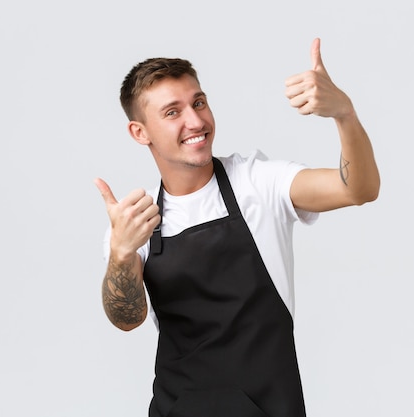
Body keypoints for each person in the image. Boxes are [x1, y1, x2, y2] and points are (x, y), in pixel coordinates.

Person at [95, 38, 380, 417]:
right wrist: (121, 252)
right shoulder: (137, 222)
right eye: (172, 112)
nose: (195, 121)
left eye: (198, 103)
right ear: (139, 132)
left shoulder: (258, 184)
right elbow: (127, 319)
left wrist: (344, 113)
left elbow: (357, 189)